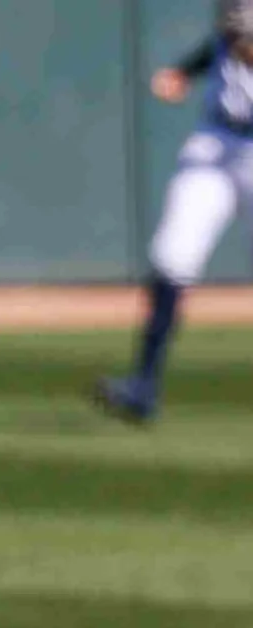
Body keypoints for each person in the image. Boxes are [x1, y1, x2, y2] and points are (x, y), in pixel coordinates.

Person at [98, 0, 253, 424]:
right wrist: (185, 72)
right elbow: (225, 39)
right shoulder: (232, 25)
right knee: (172, 257)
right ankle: (143, 386)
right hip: (217, 141)